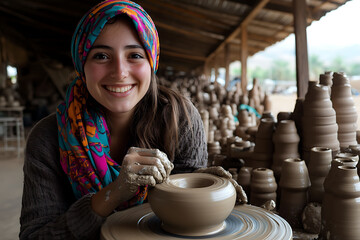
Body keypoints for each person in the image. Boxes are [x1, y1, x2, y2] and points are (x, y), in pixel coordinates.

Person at [20, 1, 246, 239]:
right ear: (81, 65)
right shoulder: (48, 138)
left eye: (135, 55)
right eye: (101, 55)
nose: (119, 71)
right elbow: (34, 236)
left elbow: (189, 221)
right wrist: (112, 194)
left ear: (152, 62)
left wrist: (202, 182)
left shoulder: (180, 120)